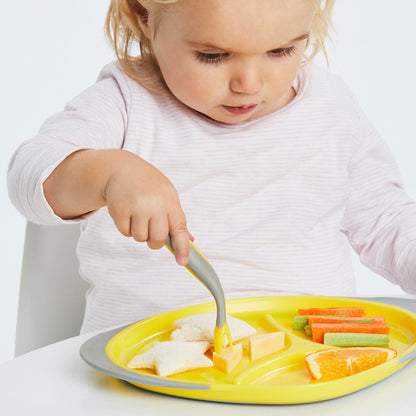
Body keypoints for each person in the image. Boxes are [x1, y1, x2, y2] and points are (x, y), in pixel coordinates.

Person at [7, 0, 416, 334]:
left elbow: (386, 222)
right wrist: (109, 173)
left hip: (309, 367)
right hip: (146, 374)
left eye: (282, 51)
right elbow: (29, 173)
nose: (250, 83)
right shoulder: (125, 102)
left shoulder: (329, 108)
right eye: (213, 55)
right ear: (143, 15)